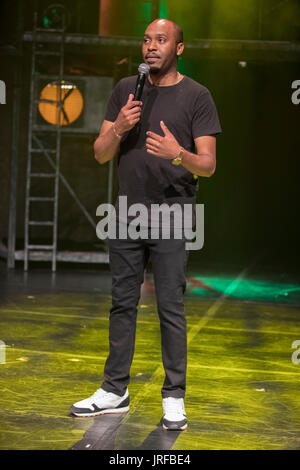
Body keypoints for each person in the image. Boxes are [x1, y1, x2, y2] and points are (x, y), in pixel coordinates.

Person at [70, 18, 221, 431]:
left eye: (161, 40)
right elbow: (101, 154)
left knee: (170, 308)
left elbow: (207, 165)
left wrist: (178, 153)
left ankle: (174, 395)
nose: (151, 47)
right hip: (126, 215)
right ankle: (114, 390)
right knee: (122, 303)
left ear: (179, 48)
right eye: (146, 40)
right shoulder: (125, 90)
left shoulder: (197, 96)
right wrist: (119, 127)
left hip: (172, 215)